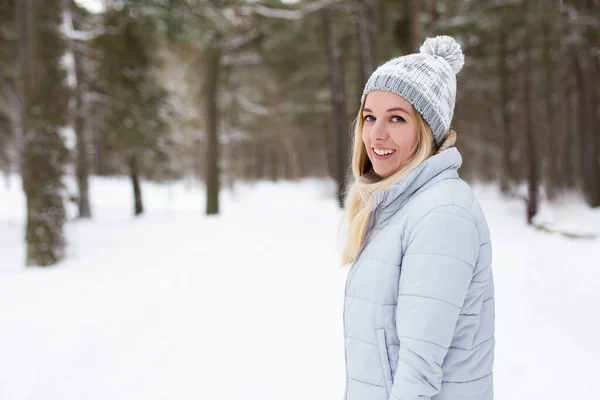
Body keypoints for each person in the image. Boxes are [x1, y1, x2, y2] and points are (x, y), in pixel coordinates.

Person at [340, 35, 495, 400]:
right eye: (369, 117)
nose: (376, 134)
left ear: (427, 129)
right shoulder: (399, 207)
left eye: (397, 118)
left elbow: (418, 370)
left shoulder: (443, 214)